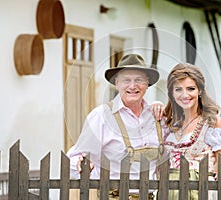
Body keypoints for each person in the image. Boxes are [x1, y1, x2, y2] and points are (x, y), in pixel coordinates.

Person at [67, 54, 163, 199]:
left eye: (139, 80)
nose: (132, 86)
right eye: (126, 80)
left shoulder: (158, 118)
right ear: (117, 83)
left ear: (147, 84)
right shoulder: (101, 116)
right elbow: (74, 160)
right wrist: (82, 163)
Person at [152, 63, 221, 199]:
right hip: (168, 192)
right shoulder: (167, 123)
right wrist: (153, 105)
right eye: (178, 89)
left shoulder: (213, 123)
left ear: (200, 91)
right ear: (171, 93)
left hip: (200, 192)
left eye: (190, 89)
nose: (185, 95)